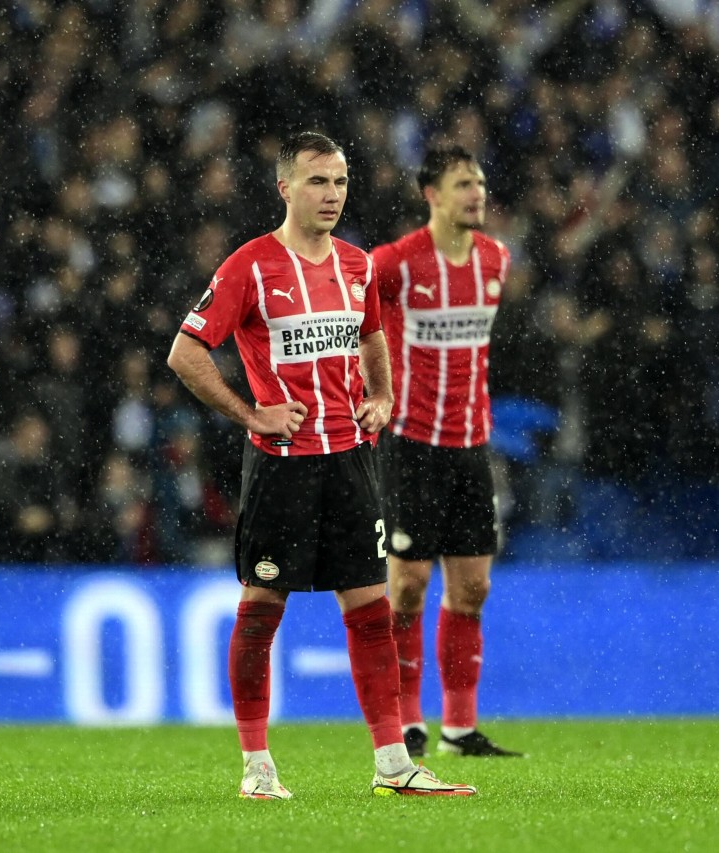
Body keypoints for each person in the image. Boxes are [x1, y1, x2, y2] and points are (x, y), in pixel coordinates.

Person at [167, 131, 475, 799]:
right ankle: (257, 767)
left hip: (350, 465)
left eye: (339, 181)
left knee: (371, 608)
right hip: (282, 466)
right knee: (261, 609)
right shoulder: (249, 267)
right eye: (317, 181)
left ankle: (393, 763)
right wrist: (250, 413)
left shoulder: (359, 266)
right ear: (285, 188)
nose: (331, 194)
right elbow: (185, 353)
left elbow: (372, 334)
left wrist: (384, 394)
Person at [370, 145, 522, 758]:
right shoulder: (396, 264)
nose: (476, 193)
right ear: (430, 194)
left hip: (470, 446)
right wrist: (374, 391)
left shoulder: (495, 259)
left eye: (480, 181)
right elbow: (361, 326)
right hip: (410, 444)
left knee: (473, 588)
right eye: (463, 183)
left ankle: (458, 729)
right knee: (406, 585)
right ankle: (407, 722)